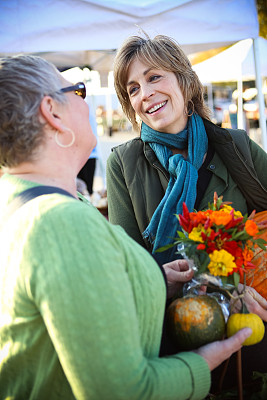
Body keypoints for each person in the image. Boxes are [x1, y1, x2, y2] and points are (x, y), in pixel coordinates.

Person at [0, 54, 253, 400]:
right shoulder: (59, 220)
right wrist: (201, 363)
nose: (83, 101)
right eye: (76, 91)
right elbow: (121, 391)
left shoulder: (30, 203)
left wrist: (154, 280)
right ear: (52, 112)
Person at [106, 34, 267, 392]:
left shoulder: (236, 146)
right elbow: (125, 270)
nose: (144, 93)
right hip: (171, 344)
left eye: (153, 77)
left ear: (184, 80)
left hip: (248, 338)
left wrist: (257, 282)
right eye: (132, 89)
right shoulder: (123, 165)